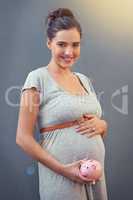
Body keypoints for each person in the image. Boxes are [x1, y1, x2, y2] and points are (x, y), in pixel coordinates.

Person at [16, 8, 108, 200]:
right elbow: (22, 138)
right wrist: (65, 170)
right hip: (61, 178)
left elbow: (93, 124)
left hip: (95, 179)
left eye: (75, 45)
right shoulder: (37, 78)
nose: (69, 52)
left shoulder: (83, 79)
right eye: (62, 44)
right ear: (49, 43)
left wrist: (103, 125)